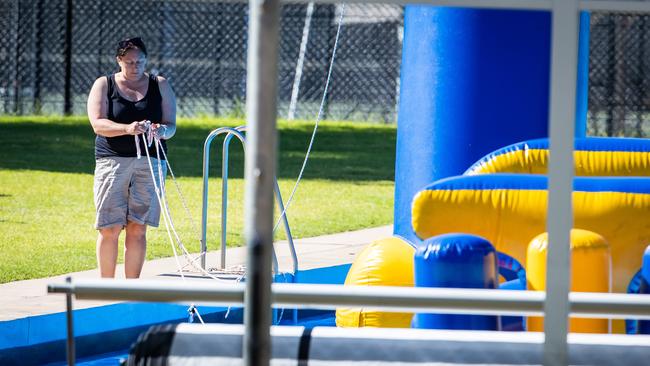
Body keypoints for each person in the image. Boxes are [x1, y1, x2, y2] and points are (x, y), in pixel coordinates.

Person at [87, 37, 176, 278]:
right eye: (129, 62)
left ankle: (131, 286)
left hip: (151, 161)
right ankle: (107, 286)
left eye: (139, 62)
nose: (134, 67)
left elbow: (171, 126)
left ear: (146, 60)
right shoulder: (104, 84)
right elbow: (98, 124)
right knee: (110, 227)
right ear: (119, 61)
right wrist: (127, 128)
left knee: (138, 227)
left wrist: (161, 130)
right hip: (113, 161)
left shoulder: (160, 84)